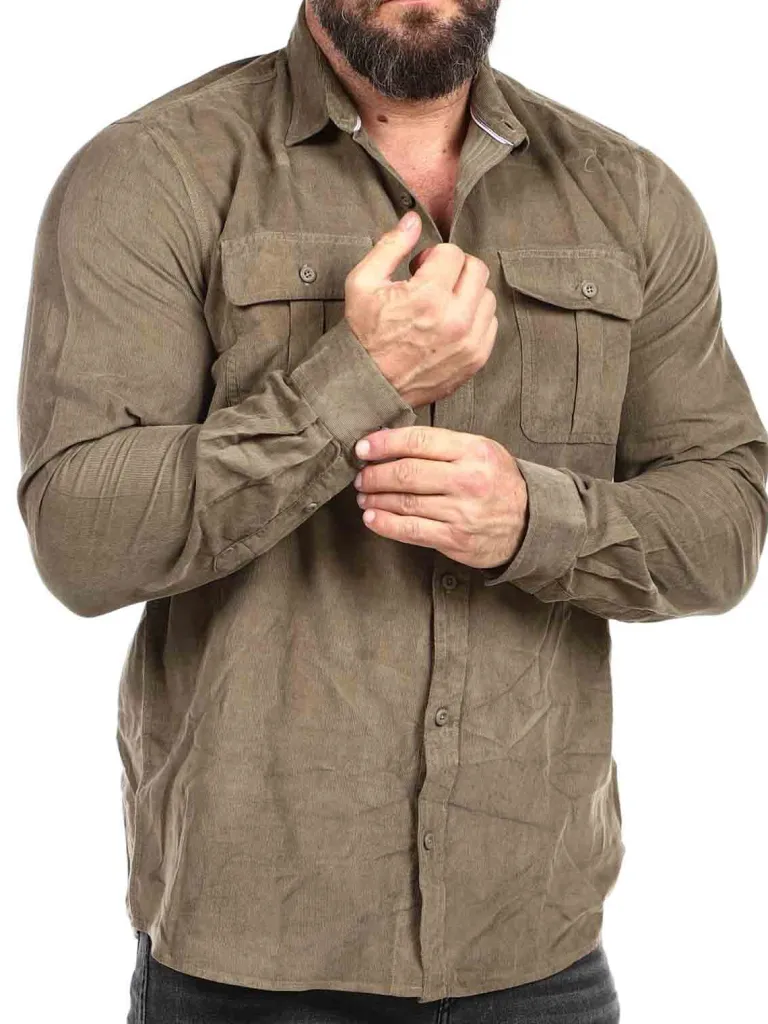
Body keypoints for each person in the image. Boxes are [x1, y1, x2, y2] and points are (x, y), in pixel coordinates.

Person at [15, 1, 768, 1021]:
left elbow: (726, 522)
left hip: (535, 951)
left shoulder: (628, 195)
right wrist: (359, 380)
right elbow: (82, 537)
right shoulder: (154, 173)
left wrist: (535, 522)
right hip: (248, 965)